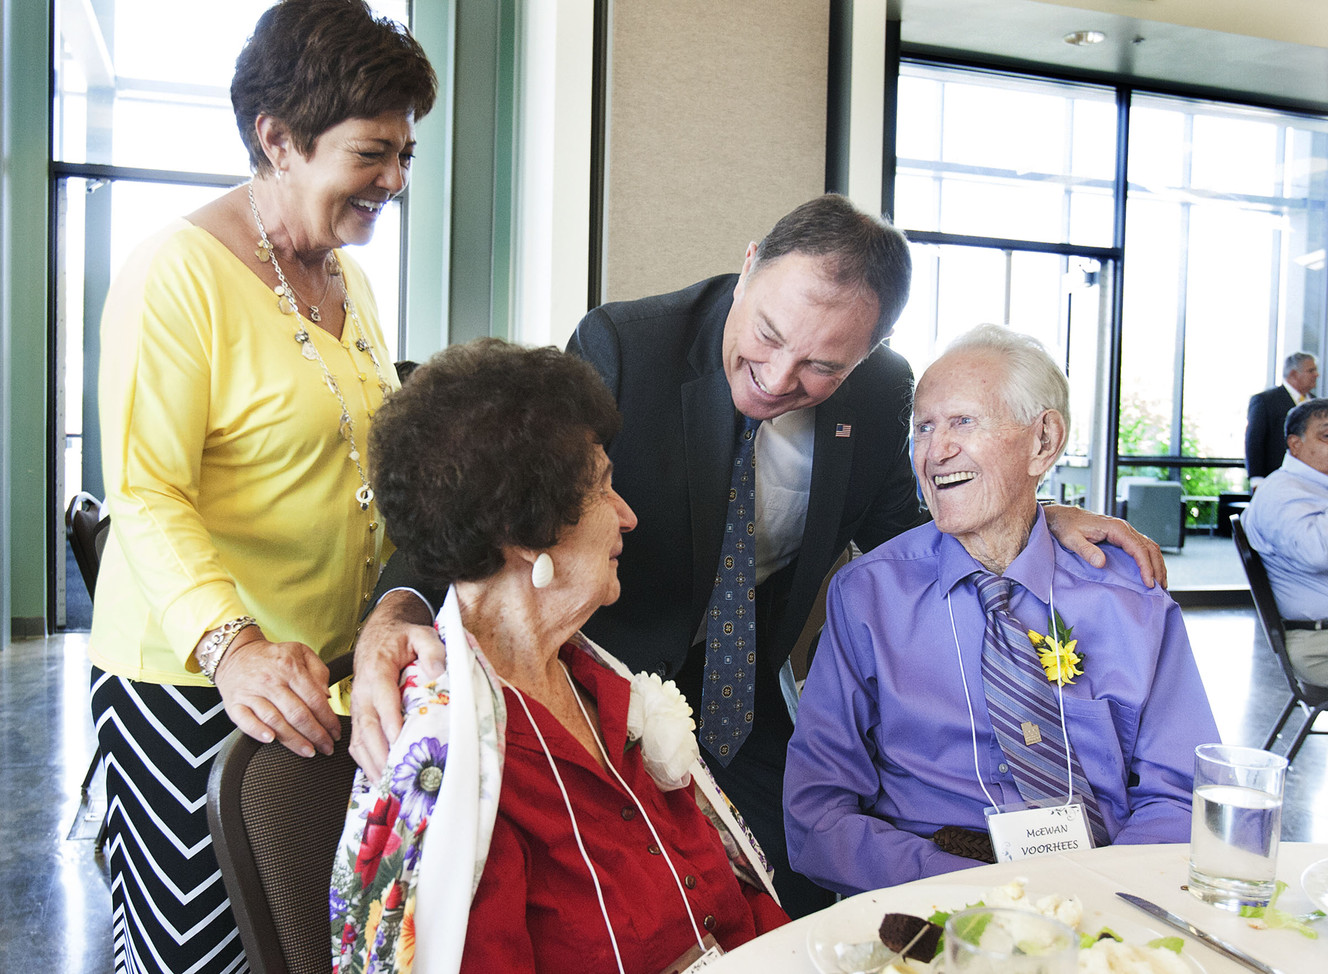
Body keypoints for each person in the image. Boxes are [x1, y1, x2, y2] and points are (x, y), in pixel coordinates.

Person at [351, 195, 1167, 917]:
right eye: (769, 336)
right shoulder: (629, 345)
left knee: (802, 895)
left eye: (822, 365)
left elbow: (913, 535)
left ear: (872, 350)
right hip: (607, 675)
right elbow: (493, 485)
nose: (778, 377)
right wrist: (397, 608)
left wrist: (1029, 510)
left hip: (745, 701)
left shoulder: (883, 392)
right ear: (749, 270)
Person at [87, 3, 436, 971]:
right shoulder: (178, 273)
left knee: (304, 938)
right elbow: (146, 491)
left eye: (406, 154)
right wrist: (233, 646)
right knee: (199, 951)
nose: (395, 182)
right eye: (373, 152)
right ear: (276, 138)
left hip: (321, 673)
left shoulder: (345, 280)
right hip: (193, 678)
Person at [329, 340, 787, 974]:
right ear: (525, 533)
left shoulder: (594, 679)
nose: (627, 516)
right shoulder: (453, 757)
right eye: (603, 490)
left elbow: (737, 904)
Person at [782, 325, 1218, 894]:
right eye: (923, 428)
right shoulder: (868, 598)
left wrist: (1101, 896)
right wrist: (974, 891)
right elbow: (818, 815)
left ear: (1044, 441)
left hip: (1107, 894)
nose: (936, 451)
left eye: (962, 421)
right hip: (935, 891)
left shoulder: (1131, 601)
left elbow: (1182, 793)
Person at [1240, 397, 1328, 685]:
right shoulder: (1281, 492)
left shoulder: (1314, 487)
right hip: (1318, 645)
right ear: (1295, 444)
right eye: (1327, 436)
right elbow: (1317, 552)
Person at [1246, 352, 1319, 485]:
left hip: (1312, 483)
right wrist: (1256, 479)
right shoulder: (1265, 400)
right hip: (1275, 479)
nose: (1317, 375)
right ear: (1293, 374)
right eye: (1311, 370)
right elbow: (1254, 441)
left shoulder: (1316, 403)